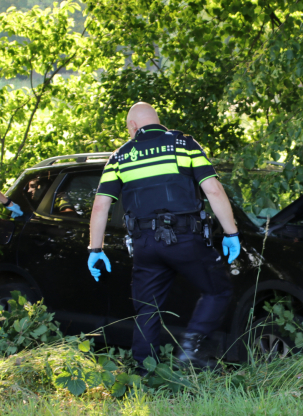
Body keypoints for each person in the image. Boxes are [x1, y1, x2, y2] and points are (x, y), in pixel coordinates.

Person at [87, 102, 241, 371]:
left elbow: (101, 205)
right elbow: (213, 190)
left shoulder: (121, 156)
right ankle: (191, 351)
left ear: (133, 126)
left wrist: (95, 250)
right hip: (185, 239)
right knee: (218, 290)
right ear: (159, 122)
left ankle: (144, 371)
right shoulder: (184, 144)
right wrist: (231, 232)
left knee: (148, 308)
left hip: (144, 244)